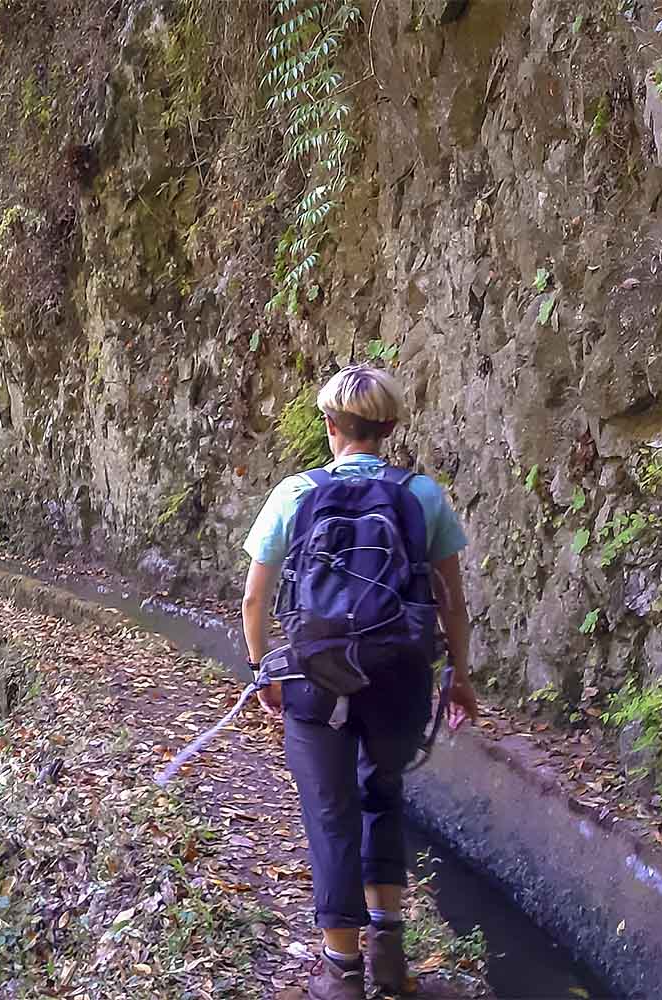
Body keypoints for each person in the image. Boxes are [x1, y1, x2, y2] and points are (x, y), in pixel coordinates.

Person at [240, 365, 478, 1000]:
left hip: (316, 676)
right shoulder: (422, 496)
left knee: (330, 813)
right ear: (390, 428)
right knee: (383, 795)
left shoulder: (295, 494)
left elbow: (254, 600)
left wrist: (265, 668)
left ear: (330, 427)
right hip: (399, 674)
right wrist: (458, 675)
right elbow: (452, 600)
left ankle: (342, 974)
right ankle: (391, 956)